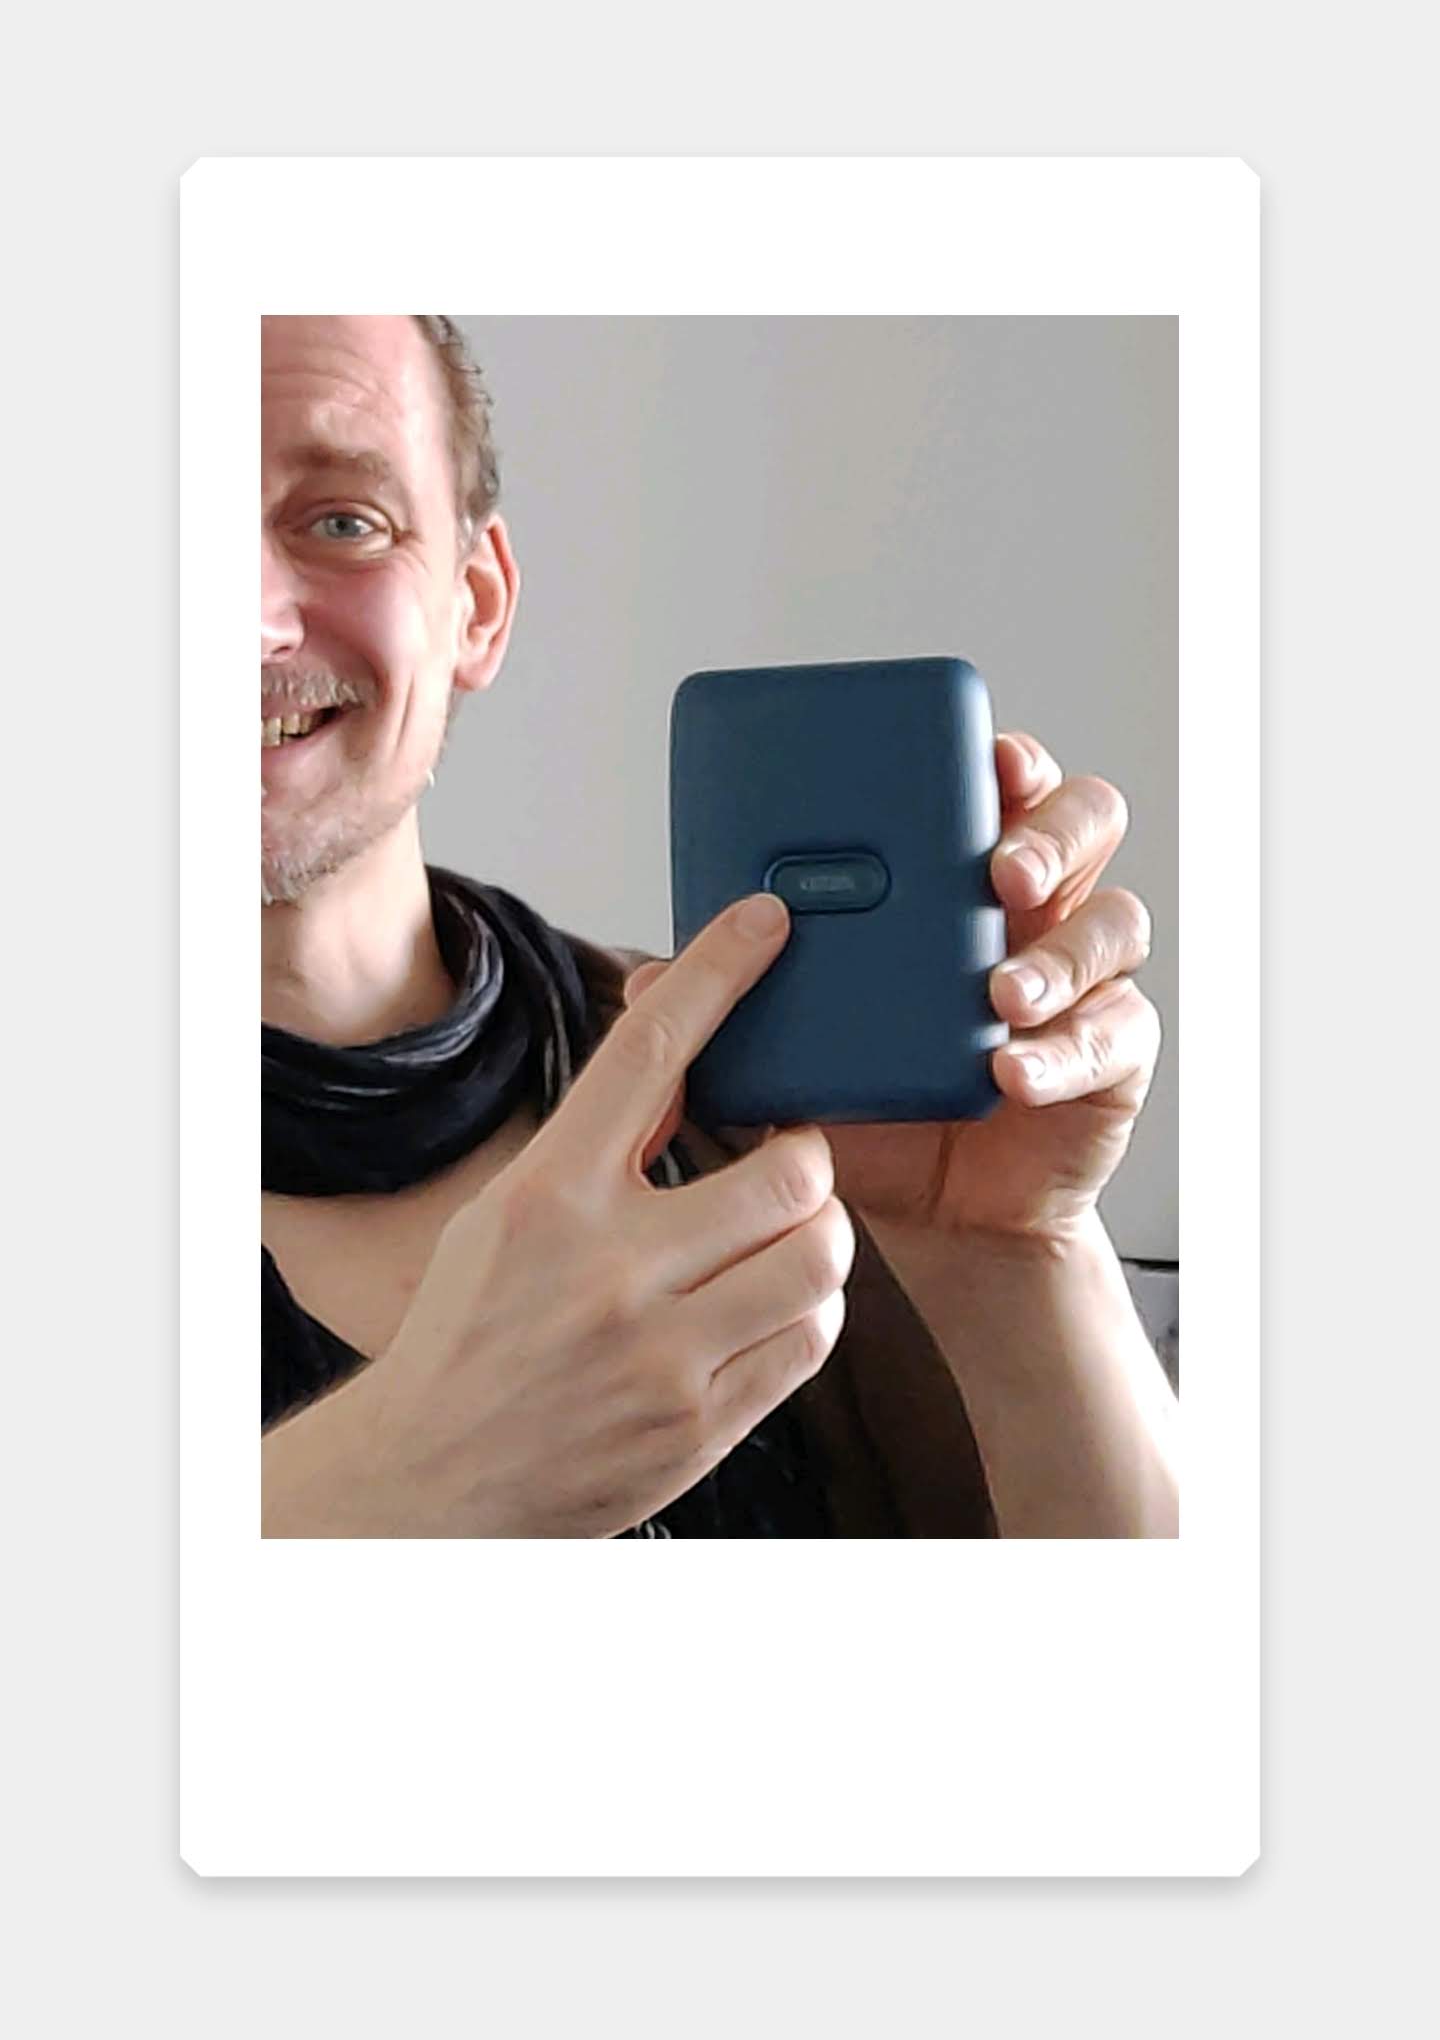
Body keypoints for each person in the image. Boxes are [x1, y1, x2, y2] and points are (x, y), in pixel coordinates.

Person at [261, 313, 1178, 1540]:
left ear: (476, 605)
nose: (246, 616)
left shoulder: (747, 1089)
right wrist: (401, 1473)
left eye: (342, 522)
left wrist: (1022, 1258)